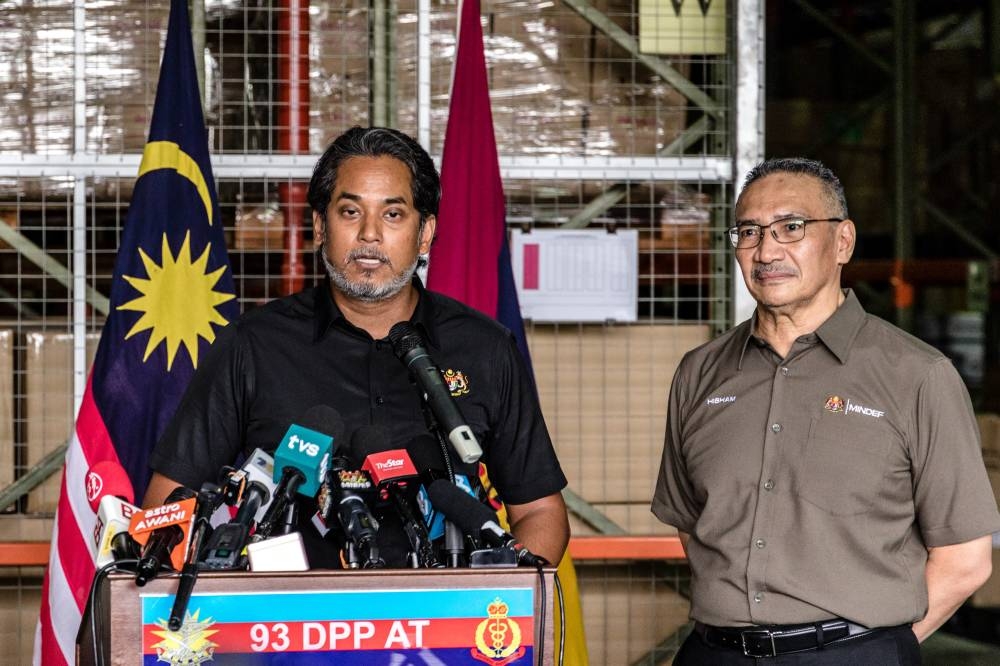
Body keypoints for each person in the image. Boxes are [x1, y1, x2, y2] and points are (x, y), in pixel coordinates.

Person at [144, 126, 569, 568]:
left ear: (425, 234)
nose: (369, 234)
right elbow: (167, 502)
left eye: (392, 215)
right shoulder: (252, 345)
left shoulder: (484, 348)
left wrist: (493, 607)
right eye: (350, 211)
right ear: (319, 226)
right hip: (281, 625)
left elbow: (539, 510)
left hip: (448, 625)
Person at [651, 157, 1000, 664]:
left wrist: (874, 645)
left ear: (843, 242)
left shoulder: (917, 376)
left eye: (792, 228)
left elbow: (966, 560)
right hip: (714, 652)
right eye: (749, 232)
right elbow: (690, 521)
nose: (767, 250)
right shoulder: (699, 373)